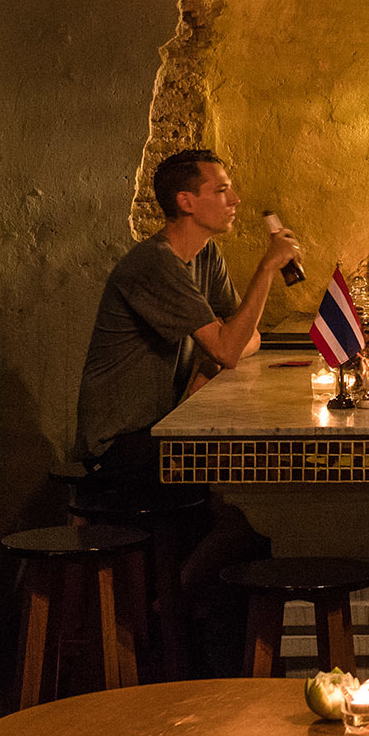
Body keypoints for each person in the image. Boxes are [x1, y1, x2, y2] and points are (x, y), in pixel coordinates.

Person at [74, 147, 301, 494]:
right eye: (222, 191)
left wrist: (213, 361)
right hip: (118, 443)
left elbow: (244, 336)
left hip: (162, 426)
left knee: (272, 466)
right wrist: (268, 267)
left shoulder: (206, 254)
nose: (236, 200)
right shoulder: (155, 264)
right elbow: (229, 348)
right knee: (257, 475)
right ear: (186, 202)